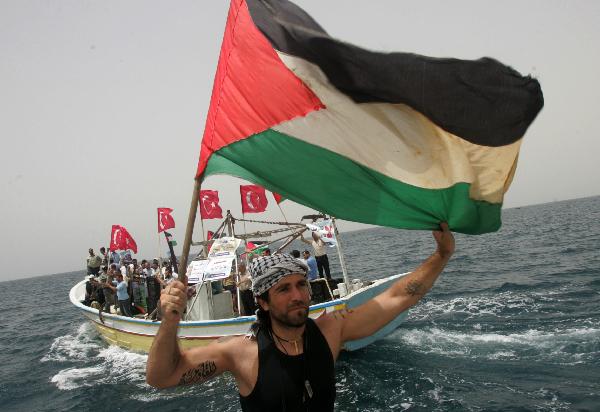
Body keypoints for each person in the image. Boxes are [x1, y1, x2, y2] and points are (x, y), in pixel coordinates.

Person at [146, 223, 455, 411]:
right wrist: (170, 321)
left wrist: (442, 255)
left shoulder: (331, 330)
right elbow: (162, 377)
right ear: (263, 302)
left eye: (301, 285)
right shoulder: (240, 352)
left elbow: (398, 297)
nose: (297, 295)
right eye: (283, 289)